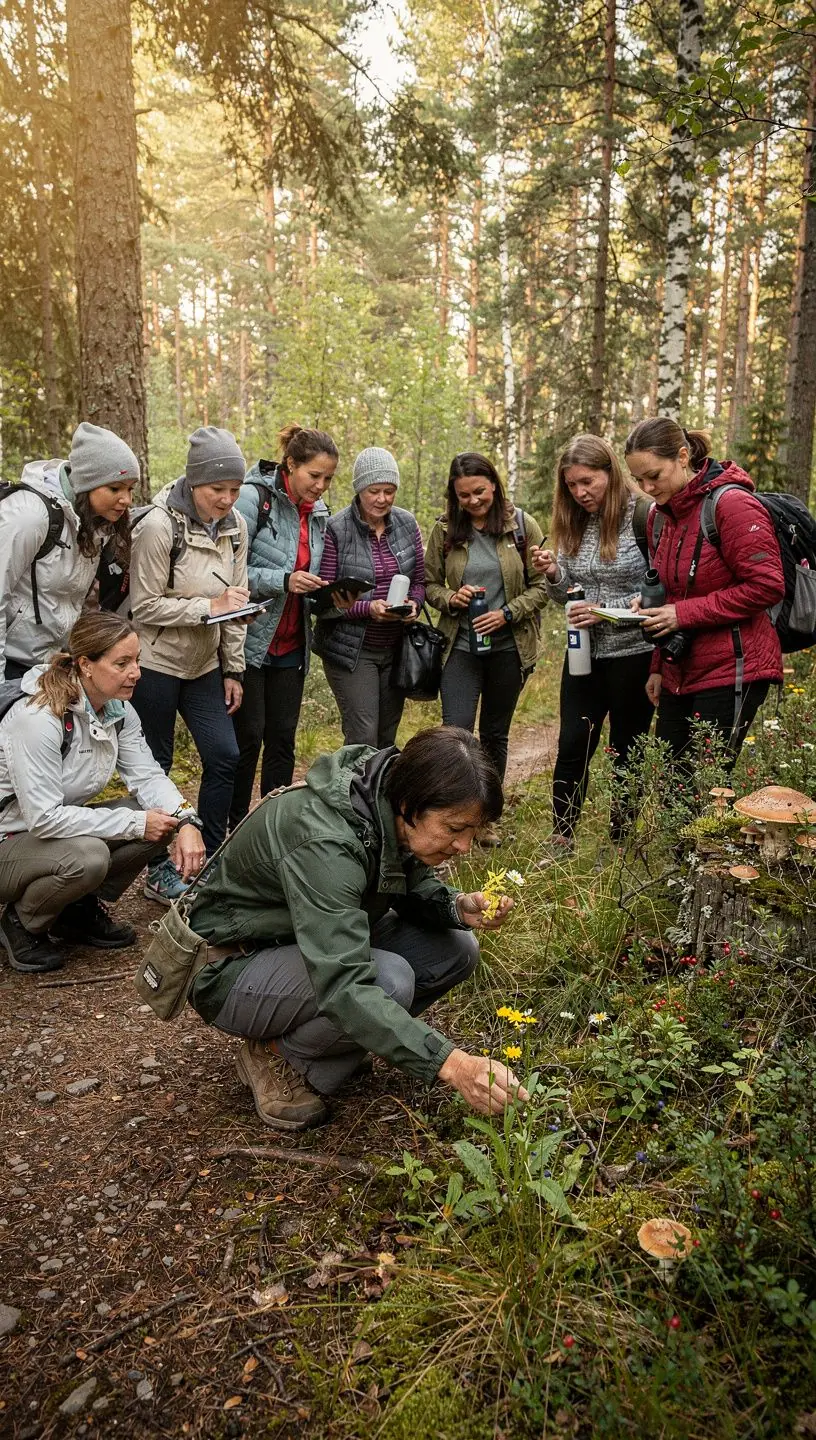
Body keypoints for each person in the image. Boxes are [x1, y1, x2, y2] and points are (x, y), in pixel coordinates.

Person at [184, 727, 528, 1130]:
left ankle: (329, 1044)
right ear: (408, 805)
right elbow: (345, 983)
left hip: (301, 942)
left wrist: (454, 906)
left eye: (474, 830)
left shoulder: (382, 802)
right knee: (388, 981)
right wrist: (451, 1064)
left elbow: (406, 883)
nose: (465, 846)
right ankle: (275, 1055)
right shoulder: (326, 838)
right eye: (454, 829)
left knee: (456, 948)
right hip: (230, 966)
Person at [0, 613, 206, 975]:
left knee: (163, 819)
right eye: (122, 663)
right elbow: (43, 817)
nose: (136, 672)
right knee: (90, 855)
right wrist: (135, 823)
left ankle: (73, 910)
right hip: (10, 837)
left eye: (138, 660)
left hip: (45, 836)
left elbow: (147, 777)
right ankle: (21, 923)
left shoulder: (118, 710)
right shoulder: (38, 719)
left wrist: (187, 819)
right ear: (85, 665)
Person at [129, 426, 249, 900]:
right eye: (217, 489)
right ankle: (161, 870)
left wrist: (234, 667)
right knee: (156, 764)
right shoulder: (159, 526)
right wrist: (207, 608)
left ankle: (210, 861)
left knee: (225, 756)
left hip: (204, 666)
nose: (225, 499)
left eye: (234, 490)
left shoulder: (236, 527)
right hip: (155, 663)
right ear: (194, 481)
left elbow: (235, 603)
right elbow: (143, 607)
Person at [624, 418, 784, 768]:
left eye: (654, 475)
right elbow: (670, 595)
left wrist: (681, 614)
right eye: (638, 480)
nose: (647, 487)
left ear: (683, 457)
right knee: (672, 788)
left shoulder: (732, 505)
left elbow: (767, 585)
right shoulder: (659, 517)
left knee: (706, 789)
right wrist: (657, 666)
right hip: (679, 669)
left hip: (735, 667)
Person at [531, 435, 655, 857]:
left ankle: (621, 842)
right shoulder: (573, 523)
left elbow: (656, 592)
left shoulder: (644, 516)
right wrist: (552, 575)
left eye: (588, 482)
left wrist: (604, 608)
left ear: (610, 473)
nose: (580, 493)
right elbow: (570, 594)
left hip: (634, 654)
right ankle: (561, 836)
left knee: (626, 748)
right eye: (572, 485)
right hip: (582, 652)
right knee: (572, 743)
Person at [424, 452, 547, 841]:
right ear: (454, 496)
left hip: (509, 647)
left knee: (495, 734)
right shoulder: (444, 531)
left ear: (493, 484)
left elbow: (542, 587)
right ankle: (452, 813)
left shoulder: (522, 526)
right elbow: (428, 585)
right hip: (460, 646)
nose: (474, 501)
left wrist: (507, 614)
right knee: (456, 731)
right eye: (464, 496)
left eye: (480, 491)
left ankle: (486, 819)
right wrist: (451, 598)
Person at [228, 425, 339, 827]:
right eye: (315, 476)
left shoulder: (320, 515)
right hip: (251, 640)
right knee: (248, 739)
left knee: (282, 741)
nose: (322, 485)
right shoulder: (251, 498)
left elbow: (313, 573)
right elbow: (229, 571)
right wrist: (284, 580)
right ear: (290, 465)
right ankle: (232, 829)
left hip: (292, 643)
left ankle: (272, 829)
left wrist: (327, 593)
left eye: (328, 478)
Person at [0, 422, 138, 682]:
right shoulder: (30, 516)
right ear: (87, 483)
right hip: (10, 665)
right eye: (115, 488)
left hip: (51, 664)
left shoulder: (96, 525)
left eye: (130, 488)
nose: (127, 500)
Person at [315, 448, 426, 748]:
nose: (382, 499)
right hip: (352, 649)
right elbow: (325, 600)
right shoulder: (336, 528)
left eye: (389, 491)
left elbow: (419, 581)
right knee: (363, 736)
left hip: (394, 647)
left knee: (387, 738)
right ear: (359, 489)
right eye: (373, 491)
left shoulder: (406, 524)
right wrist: (368, 608)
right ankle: (351, 794)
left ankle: (379, 795)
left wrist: (414, 604)